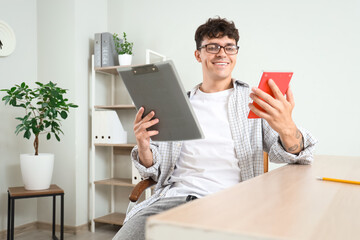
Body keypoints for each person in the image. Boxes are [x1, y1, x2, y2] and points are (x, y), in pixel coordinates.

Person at [113, 17, 317, 240]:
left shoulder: (254, 102)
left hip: (232, 203)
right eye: (212, 47)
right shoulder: (175, 104)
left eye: (229, 47)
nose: (222, 53)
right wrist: (144, 146)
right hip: (172, 200)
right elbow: (153, 171)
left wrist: (287, 128)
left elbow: (299, 156)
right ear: (198, 54)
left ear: (236, 54)